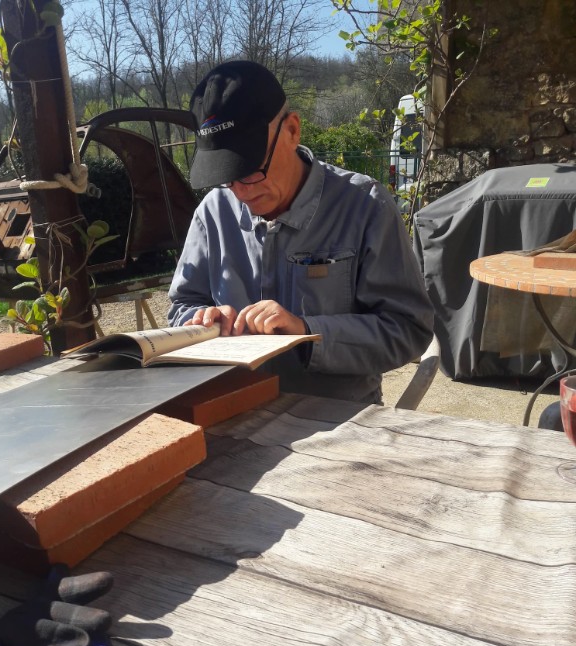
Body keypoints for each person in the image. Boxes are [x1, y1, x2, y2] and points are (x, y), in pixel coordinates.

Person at [168, 60, 434, 403]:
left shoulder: (365, 206)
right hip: (232, 409)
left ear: (292, 130)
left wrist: (307, 333)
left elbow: (409, 330)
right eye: (226, 177)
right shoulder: (213, 212)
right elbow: (182, 306)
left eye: (249, 170)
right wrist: (202, 320)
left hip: (339, 416)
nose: (241, 191)